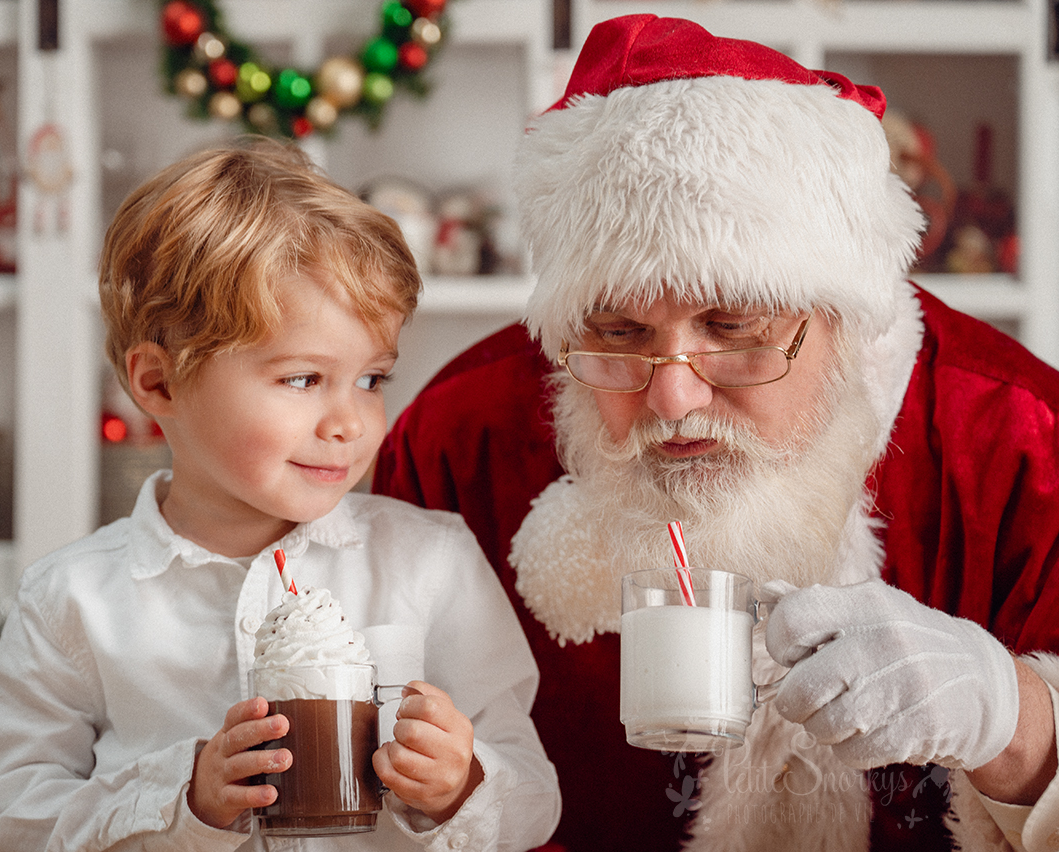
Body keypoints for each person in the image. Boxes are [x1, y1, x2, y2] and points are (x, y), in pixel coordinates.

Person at [373, 15, 1059, 852]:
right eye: (618, 333)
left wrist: (1017, 722)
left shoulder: (1018, 434)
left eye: (733, 327)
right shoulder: (459, 435)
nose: (670, 398)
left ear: (846, 320)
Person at [0, 140, 561, 852]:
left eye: (372, 379)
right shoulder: (74, 600)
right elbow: (9, 817)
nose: (348, 423)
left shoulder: (432, 563)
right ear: (159, 384)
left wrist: (459, 786)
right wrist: (185, 805)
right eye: (303, 379)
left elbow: (533, 794)